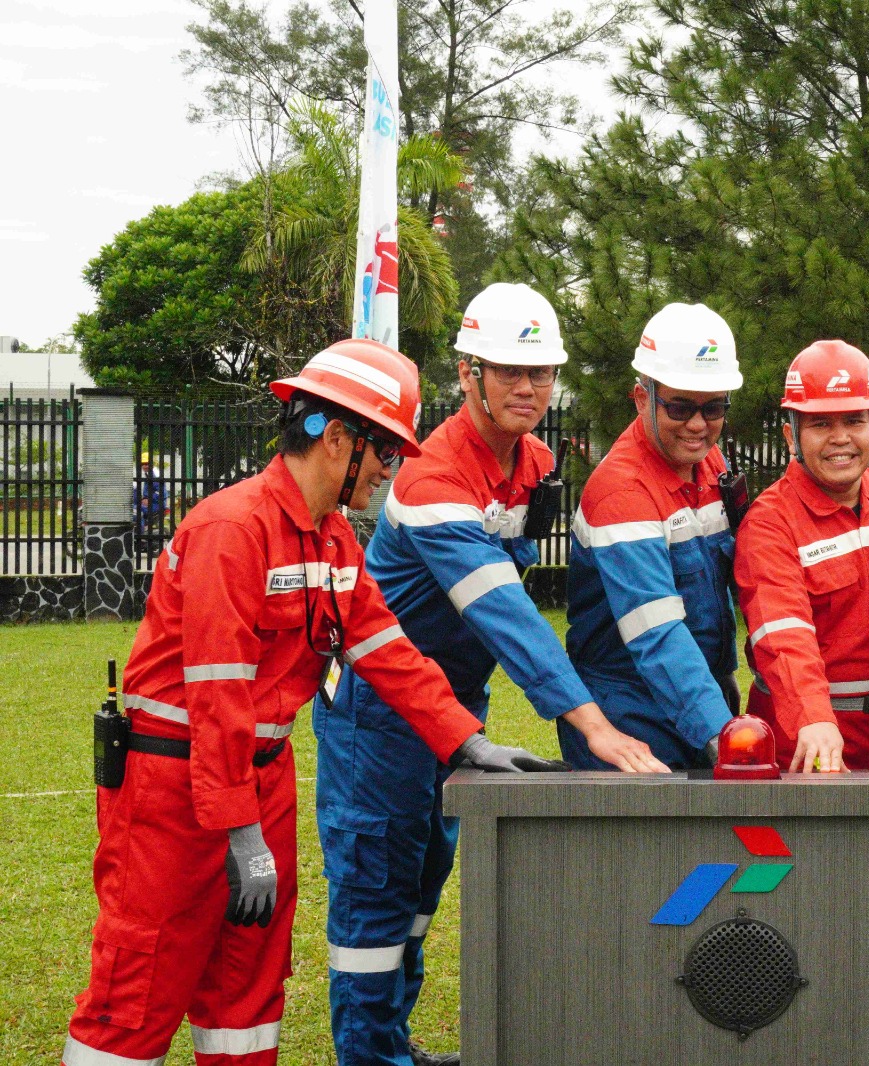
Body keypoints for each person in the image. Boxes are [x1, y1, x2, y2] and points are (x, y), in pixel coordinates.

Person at [62, 339, 556, 1066]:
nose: (391, 468)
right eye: (385, 449)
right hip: (175, 790)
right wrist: (240, 831)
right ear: (336, 437)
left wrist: (467, 741)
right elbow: (218, 695)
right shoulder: (233, 530)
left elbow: (387, 652)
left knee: (248, 992)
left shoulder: (330, 540)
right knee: (140, 984)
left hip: (257, 778)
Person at [314, 287, 670, 1066]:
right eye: (509, 371)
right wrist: (592, 723)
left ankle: (392, 1043)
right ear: (469, 373)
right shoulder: (430, 477)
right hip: (379, 712)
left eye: (540, 373)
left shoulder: (535, 464)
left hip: (454, 710)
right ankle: (369, 1058)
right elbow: (506, 613)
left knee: (423, 882)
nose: (528, 388)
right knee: (376, 891)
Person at [563, 302, 744, 769]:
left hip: (697, 694)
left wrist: (726, 680)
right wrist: (720, 734)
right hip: (629, 712)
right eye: (680, 407)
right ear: (642, 398)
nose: (698, 425)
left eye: (714, 407)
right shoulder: (622, 492)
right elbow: (657, 633)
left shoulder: (710, 463)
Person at [734, 341, 869, 772]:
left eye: (854, 420)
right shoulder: (770, 522)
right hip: (809, 741)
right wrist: (814, 719)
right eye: (821, 423)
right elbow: (783, 634)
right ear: (791, 436)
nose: (841, 438)